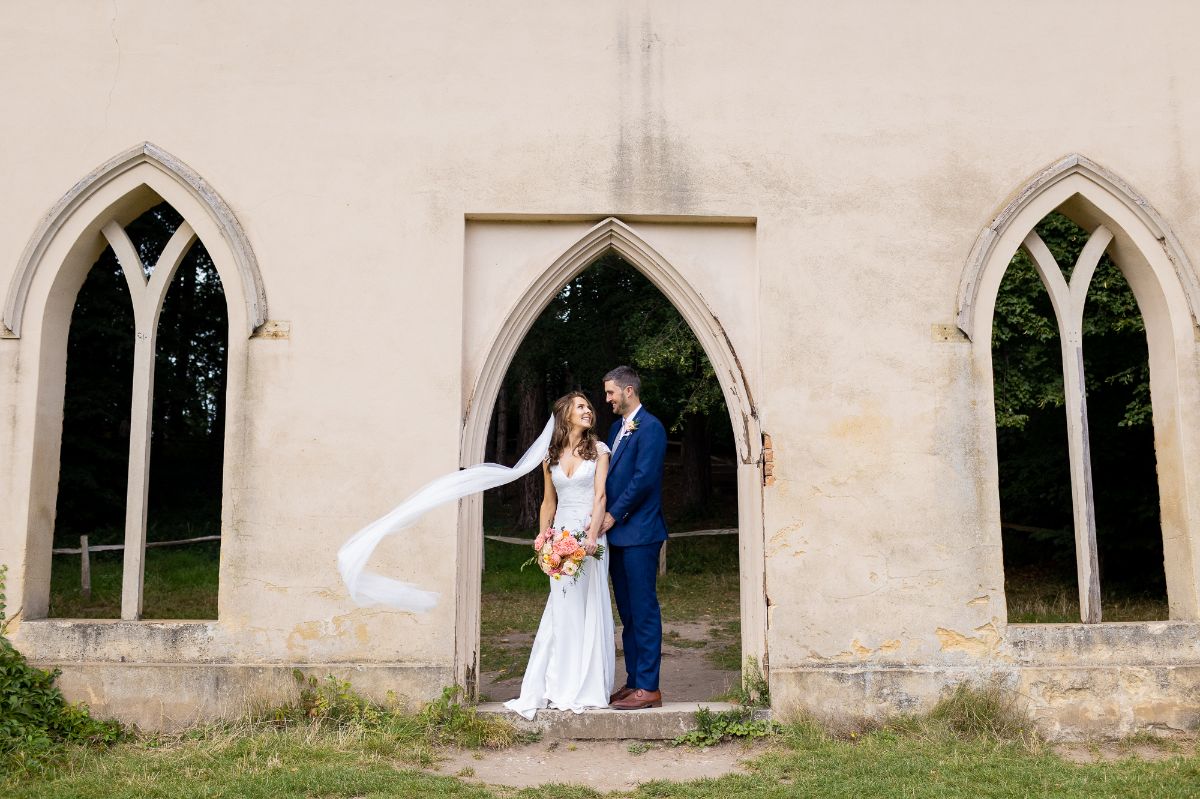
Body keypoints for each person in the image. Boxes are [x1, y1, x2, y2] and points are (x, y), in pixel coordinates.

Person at [502, 392, 616, 718]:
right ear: (565, 414)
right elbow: (548, 502)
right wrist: (543, 540)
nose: (588, 411)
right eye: (581, 407)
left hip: (588, 536)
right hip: (560, 539)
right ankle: (558, 684)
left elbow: (600, 496)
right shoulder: (549, 456)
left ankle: (586, 685)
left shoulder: (599, 451)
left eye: (589, 407)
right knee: (562, 608)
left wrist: (592, 536)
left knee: (587, 607)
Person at [600, 366, 668, 710]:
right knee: (627, 613)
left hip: (640, 532)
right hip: (618, 537)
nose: (607, 399)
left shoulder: (651, 428)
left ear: (628, 391)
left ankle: (649, 687)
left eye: (611, 392)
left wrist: (613, 514)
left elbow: (643, 480)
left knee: (643, 611)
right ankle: (634, 681)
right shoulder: (616, 429)